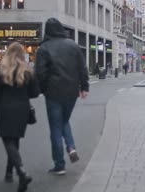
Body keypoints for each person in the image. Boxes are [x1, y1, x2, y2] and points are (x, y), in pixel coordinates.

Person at [35, 18, 90, 175]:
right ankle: (71, 147)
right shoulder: (72, 45)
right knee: (64, 120)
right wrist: (84, 87)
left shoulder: (43, 48)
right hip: (71, 92)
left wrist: (42, 89)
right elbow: (82, 68)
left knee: (55, 127)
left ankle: (59, 164)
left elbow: (40, 73)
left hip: (53, 93)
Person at [0, 42, 40, 192]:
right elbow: (35, 92)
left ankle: (21, 171)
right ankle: (9, 173)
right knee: (14, 140)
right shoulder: (27, 71)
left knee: (8, 141)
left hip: (4, 109)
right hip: (22, 110)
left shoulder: (3, 69)